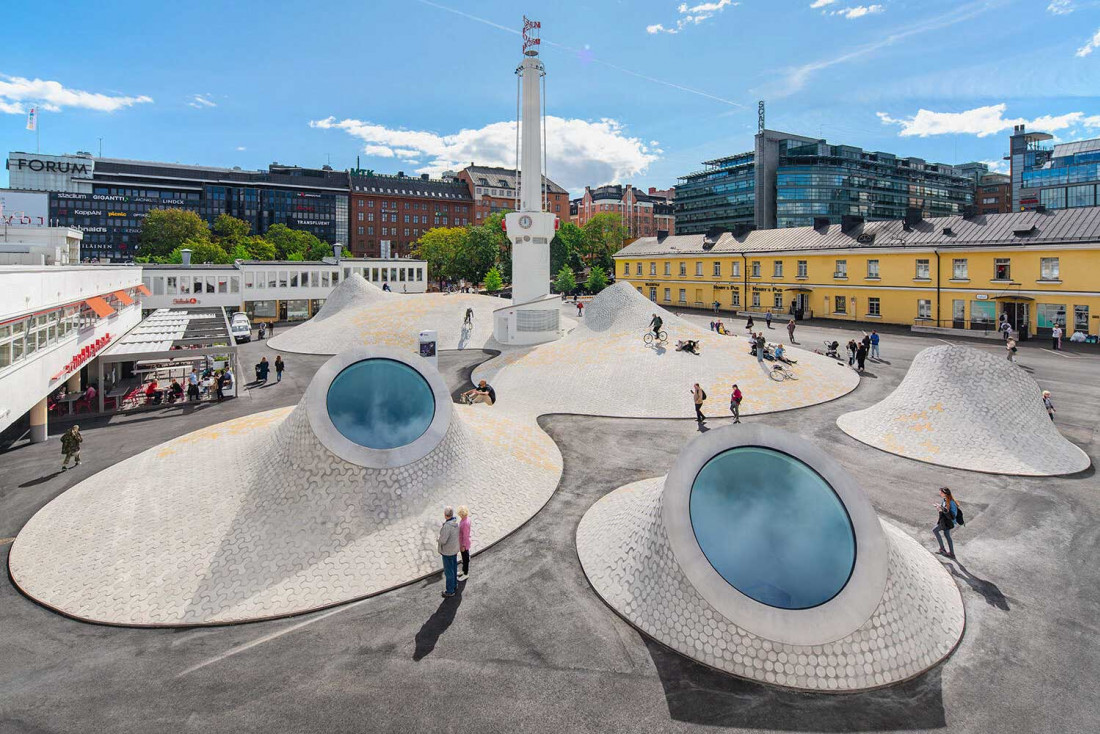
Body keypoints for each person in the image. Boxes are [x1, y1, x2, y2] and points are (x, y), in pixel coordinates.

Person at [438, 507, 460, 598]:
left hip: (447, 552)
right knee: (454, 567)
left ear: (445, 515)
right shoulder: (456, 523)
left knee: (448, 572)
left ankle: (450, 591)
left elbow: (443, 540)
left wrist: (438, 539)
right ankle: (455, 585)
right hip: (454, 550)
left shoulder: (447, 526)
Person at [933, 487, 959, 559]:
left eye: (941, 493)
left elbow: (953, 514)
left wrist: (942, 510)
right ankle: (951, 553)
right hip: (944, 521)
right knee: (947, 535)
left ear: (945, 493)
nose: (940, 494)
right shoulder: (944, 500)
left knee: (935, 530)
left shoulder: (951, 502)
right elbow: (944, 509)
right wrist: (939, 507)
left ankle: (943, 549)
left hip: (947, 522)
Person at [457, 505, 472, 581]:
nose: (459, 515)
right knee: (464, 558)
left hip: (464, 544)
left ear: (462, 514)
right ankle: (463, 571)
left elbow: (465, 536)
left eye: (459, 514)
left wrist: (463, 546)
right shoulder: (466, 519)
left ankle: (466, 574)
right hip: (464, 543)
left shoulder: (465, 523)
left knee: (465, 559)